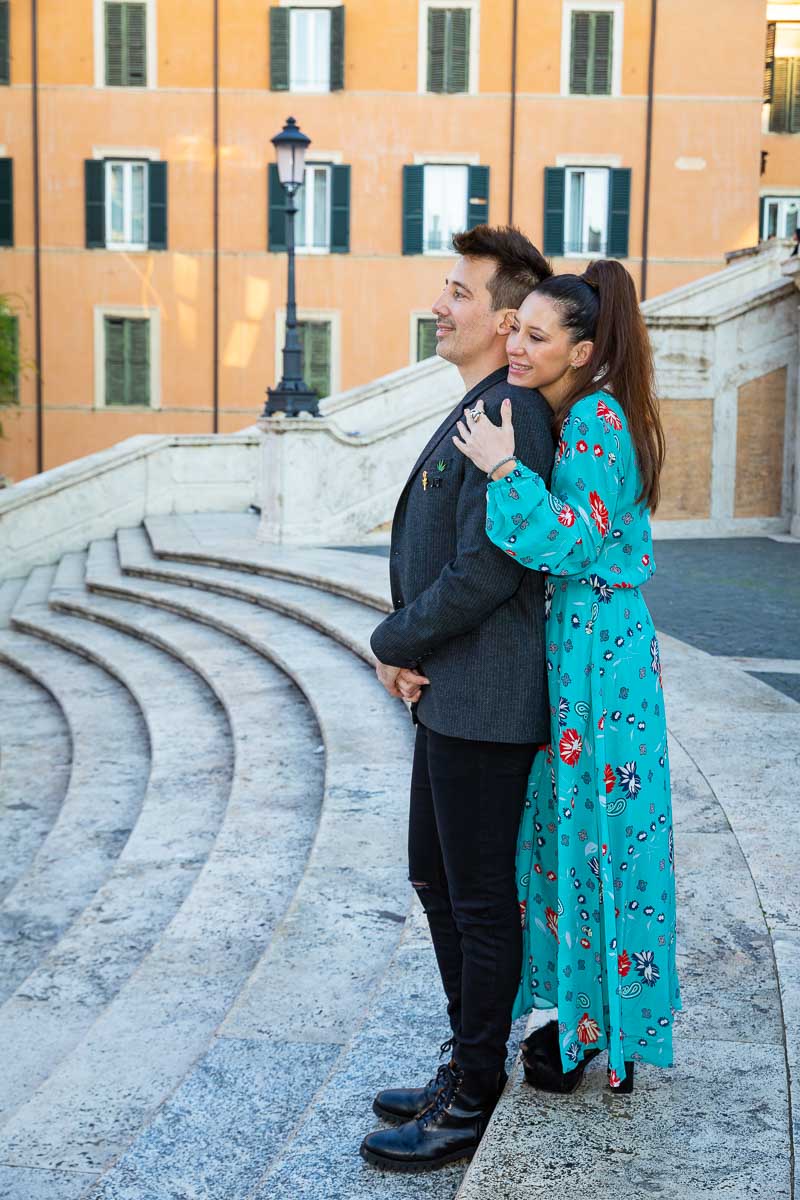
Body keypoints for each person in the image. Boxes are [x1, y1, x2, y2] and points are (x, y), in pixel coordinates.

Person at [452, 258, 681, 1095]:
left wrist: (503, 470)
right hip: (592, 646)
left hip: (598, 654)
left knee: (596, 837)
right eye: (515, 328)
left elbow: (575, 541)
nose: (515, 344)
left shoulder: (595, 420)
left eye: (536, 335)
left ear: (582, 351)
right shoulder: (596, 410)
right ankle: (594, 1027)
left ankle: (597, 1036)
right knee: (588, 836)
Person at [360, 226, 555, 1173]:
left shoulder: (512, 411)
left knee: (477, 903)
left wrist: (395, 639)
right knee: (437, 881)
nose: (440, 303)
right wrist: (408, 653)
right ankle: (464, 1064)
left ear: (508, 318)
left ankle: (472, 1096)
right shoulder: (482, 402)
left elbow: (487, 568)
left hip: (486, 697)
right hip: (451, 691)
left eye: (460, 291)